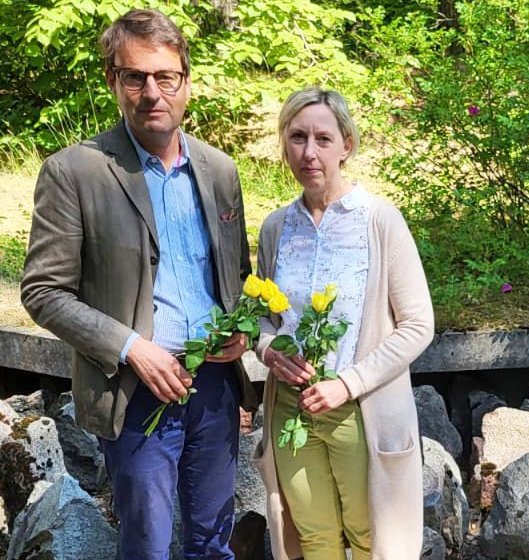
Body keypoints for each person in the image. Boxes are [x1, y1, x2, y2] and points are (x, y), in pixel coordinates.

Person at [20, 9, 256, 559]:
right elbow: (43, 291)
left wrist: (243, 331)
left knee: (213, 544)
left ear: (186, 83)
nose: (152, 92)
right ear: (114, 82)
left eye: (165, 77)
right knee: (146, 546)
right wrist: (132, 348)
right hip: (135, 393)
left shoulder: (220, 170)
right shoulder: (75, 172)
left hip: (216, 391)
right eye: (135, 77)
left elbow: (238, 279)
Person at [252, 87, 434, 560]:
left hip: (360, 409)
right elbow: (260, 321)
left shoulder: (379, 221)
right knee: (312, 540)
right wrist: (269, 350)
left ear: (346, 145)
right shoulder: (276, 227)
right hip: (291, 409)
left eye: (322, 138)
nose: (308, 152)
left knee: (372, 539)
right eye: (296, 137)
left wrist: (348, 384)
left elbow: (418, 325)